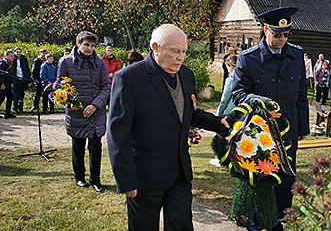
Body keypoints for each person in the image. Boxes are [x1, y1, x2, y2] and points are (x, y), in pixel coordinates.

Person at [107, 24, 229, 230]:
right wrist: (126, 179)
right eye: (175, 51)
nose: (180, 57)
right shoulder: (129, 78)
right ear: (155, 47)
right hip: (144, 177)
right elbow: (117, 133)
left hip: (179, 173)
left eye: (184, 52)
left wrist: (218, 123)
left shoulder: (186, 75)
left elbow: (189, 113)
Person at [232, 6, 309, 231]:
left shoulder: (295, 56)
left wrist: (302, 126)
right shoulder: (249, 59)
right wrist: (260, 102)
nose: (282, 39)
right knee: (262, 177)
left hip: (288, 130)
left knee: (286, 178)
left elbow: (302, 93)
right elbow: (238, 94)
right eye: (277, 34)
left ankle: (279, 221)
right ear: (265, 30)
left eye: (286, 34)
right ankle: (257, 221)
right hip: (260, 131)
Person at [58, 31, 111, 193]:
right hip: (76, 112)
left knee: (95, 147)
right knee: (78, 147)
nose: (89, 48)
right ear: (78, 44)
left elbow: (106, 86)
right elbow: (59, 86)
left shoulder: (100, 63)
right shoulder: (65, 63)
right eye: (86, 44)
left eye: (93, 45)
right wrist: (71, 100)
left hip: (96, 112)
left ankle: (95, 180)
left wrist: (95, 105)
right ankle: (79, 177)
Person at [211, 54, 238, 167]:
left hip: (228, 113)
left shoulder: (230, 79)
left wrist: (218, 115)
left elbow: (224, 99)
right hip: (239, 112)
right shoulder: (243, 78)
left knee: (221, 138)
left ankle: (220, 158)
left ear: (229, 65)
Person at [11, 47, 31, 113]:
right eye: (17, 52)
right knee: (15, 94)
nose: (18, 53)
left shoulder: (24, 59)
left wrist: (28, 80)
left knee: (21, 94)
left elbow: (27, 70)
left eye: (19, 52)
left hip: (23, 78)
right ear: (14, 52)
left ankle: (21, 107)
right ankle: (15, 108)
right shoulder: (13, 60)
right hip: (15, 79)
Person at [0, 50, 16, 118]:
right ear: (6, 56)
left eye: (13, 56)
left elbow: (10, 74)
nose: (12, 57)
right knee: (1, 98)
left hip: (8, 83)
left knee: (10, 97)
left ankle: (7, 113)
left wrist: (11, 82)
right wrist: (2, 83)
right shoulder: (2, 63)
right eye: (11, 56)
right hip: (3, 83)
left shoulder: (10, 63)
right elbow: (1, 75)